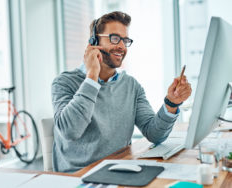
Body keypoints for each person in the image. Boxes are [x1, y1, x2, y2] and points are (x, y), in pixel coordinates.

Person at [51, 11, 192, 173]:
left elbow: (155, 135)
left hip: (120, 170)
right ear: (93, 42)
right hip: (78, 176)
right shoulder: (64, 82)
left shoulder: (131, 85)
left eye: (125, 40)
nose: (121, 46)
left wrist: (171, 103)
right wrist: (92, 77)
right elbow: (70, 131)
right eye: (115, 38)